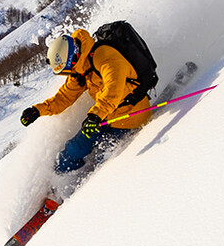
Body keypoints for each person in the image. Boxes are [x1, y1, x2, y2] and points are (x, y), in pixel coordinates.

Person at [20, 28, 154, 195]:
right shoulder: (81, 70)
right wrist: (37, 110)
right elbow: (64, 97)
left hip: (131, 117)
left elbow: (113, 91)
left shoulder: (106, 57)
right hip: (104, 118)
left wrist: (95, 115)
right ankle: (59, 188)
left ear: (71, 60)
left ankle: (88, 197)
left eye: (65, 70)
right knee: (73, 149)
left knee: (105, 158)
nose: (67, 74)